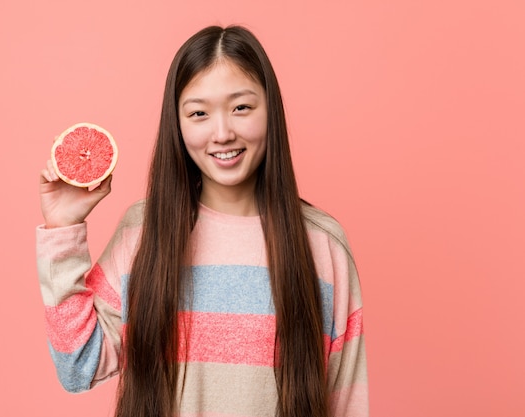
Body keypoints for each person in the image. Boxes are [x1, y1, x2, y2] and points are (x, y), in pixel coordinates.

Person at [37, 25, 368, 417]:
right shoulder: (143, 232)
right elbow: (78, 367)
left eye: (241, 107)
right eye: (199, 113)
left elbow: (346, 403)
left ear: (271, 111)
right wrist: (62, 231)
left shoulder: (322, 244)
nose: (223, 133)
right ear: (177, 124)